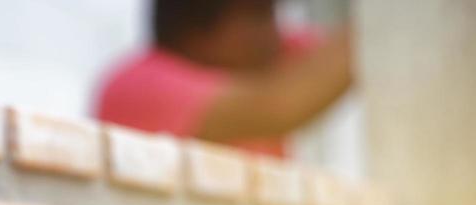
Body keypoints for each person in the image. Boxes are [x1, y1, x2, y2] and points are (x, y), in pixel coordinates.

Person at [95, 0, 353, 157]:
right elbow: (278, 105)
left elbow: (348, 55)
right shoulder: (137, 87)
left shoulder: (259, 59)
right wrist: (383, 17)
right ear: (197, 31)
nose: (274, 31)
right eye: (258, 14)